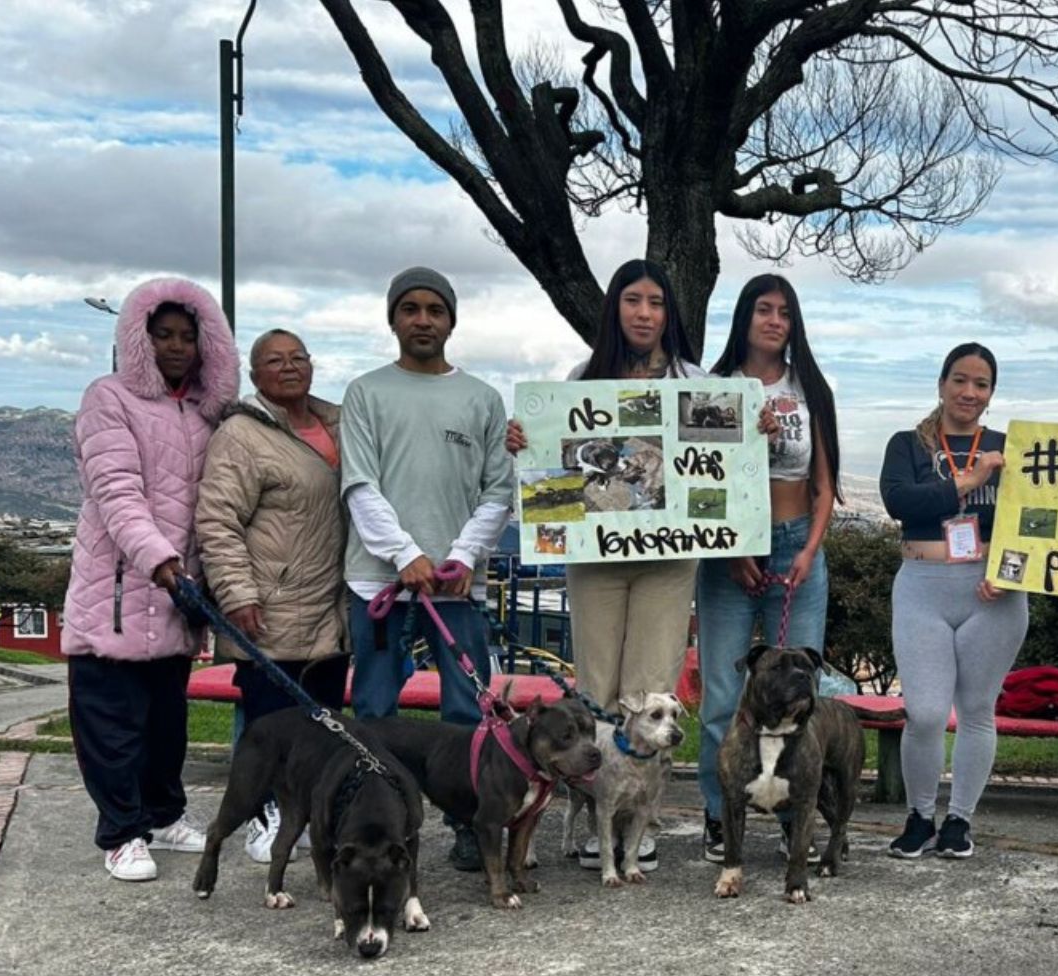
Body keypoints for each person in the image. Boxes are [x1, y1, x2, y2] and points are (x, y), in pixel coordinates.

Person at [505, 259, 710, 874]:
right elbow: (555, 477)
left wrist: (746, 428)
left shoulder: (694, 380)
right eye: (632, 301)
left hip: (670, 558)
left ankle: (637, 823)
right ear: (614, 310)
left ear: (669, 313)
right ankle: (595, 810)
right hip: (596, 557)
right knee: (596, 689)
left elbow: (720, 465)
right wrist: (529, 444)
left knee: (651, 685)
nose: (644, 313)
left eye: (655, 302)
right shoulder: (579, 379)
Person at [62, 277, 239, 882]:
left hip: (175, 597)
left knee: (166, 722)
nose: (176, 347)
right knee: (111, 724)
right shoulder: (108, 398)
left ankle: (163, 815)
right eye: (162, 335)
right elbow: (115, 491)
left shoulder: (204, 413)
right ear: (138, 337)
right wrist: (161, 561)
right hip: (118, 590)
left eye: (188, 336)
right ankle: (120, 831)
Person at [343, 267, 515, 873]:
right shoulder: (365, 393)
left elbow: (498, 491)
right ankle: (370, 822)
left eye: (434, 310)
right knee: (374, 711)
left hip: (456, 591)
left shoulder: (483, 399)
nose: (422, 320)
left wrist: (462, 555)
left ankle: (469, 821)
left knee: (467, 712)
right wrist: (404, 555)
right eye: (410, 309)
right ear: (393, 319)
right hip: (378, 581)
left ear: (451, 320)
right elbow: (359, 484)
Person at [695, 274, 841, 863]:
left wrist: (808, 549)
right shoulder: (715, 387)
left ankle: (793, 821)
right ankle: (717, 816)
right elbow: (699, 481)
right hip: (729, 552)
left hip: (795, 543)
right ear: (745, 318)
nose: (774, 320)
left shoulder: (811, 388)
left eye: (785, 311)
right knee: (724, 694)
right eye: (763, 309)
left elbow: (825, 484)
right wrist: (733, 549)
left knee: (802, 690)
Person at [197, 327, 347, 863]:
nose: (289, 367)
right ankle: (262, 814)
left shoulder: (339, 423)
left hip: (331, 608)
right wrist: (236, 591)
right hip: (269, 605)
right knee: (268, 727)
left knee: (322, 725)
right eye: (274, 360)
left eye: (298, 357)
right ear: (255, 375)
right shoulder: (241, 435)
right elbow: (217, 520)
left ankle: (305, 810)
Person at [878, 343, 1027, 859]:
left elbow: (1036, 524)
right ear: (941, 384)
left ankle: (960, 818)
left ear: (991, 393)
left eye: (981, 384)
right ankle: (920, 814)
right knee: (923, 712)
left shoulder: (1012, 448)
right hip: (922, 583)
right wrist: (970, 479)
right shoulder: (907, 445)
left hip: (992, 593)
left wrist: (1009, 575)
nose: (969, 392)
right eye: (960, 380)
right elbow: (900, 502)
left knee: (977, 710)